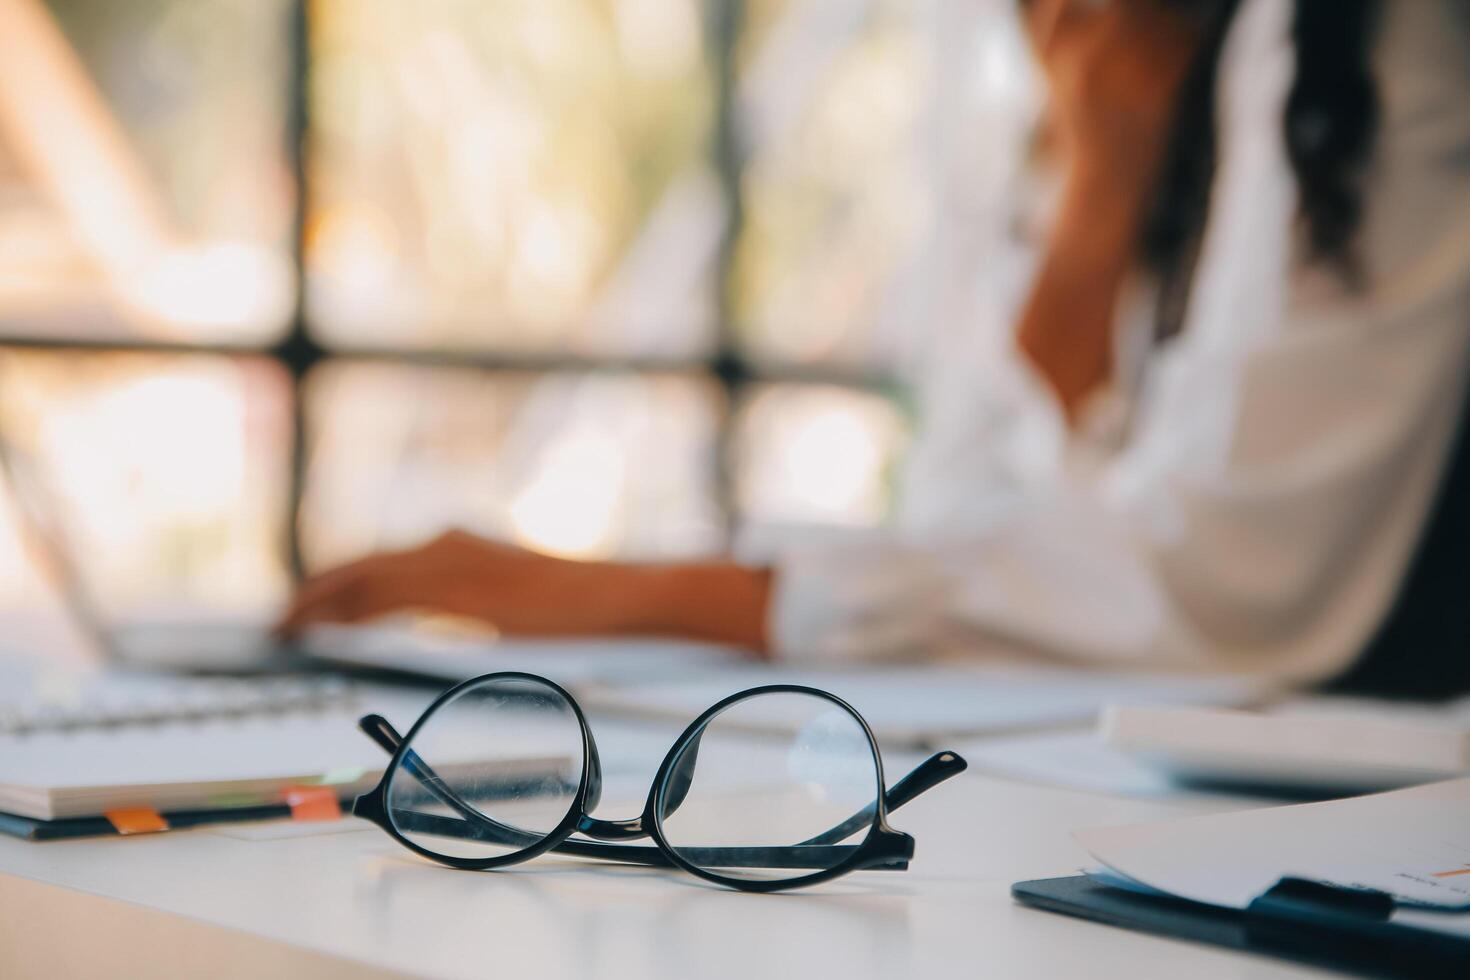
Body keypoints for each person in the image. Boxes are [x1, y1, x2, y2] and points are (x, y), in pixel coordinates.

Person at [280, 0, 1470, 691]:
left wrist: (644, 593)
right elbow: (976, 502)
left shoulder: (1360, 45)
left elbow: (1214, 591)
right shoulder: (1090, 76)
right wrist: (1101, 181)